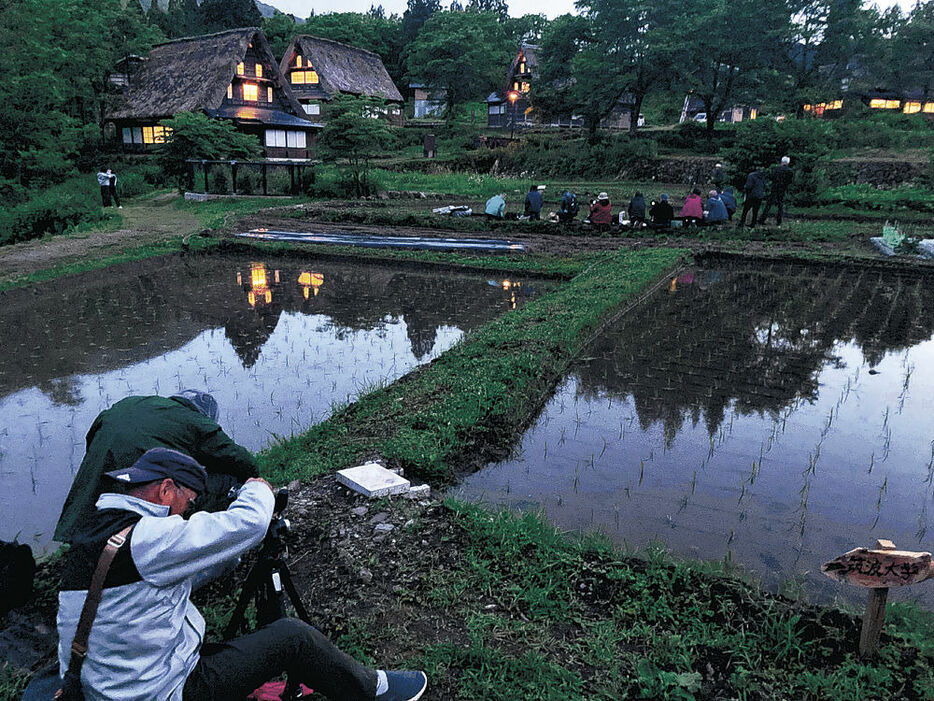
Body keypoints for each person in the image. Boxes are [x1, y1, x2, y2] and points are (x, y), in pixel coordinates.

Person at [55, 447, 428, 701]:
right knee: (292, 637)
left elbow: (150, 585)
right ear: (167, 489)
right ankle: (374, 689)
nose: (186, 513)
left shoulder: (102, 531)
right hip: (156, 692)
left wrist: (226, 558)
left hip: (104, 685)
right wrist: (257, 490)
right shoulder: (150, 537)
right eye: (189, 503)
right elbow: (247, 523)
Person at [55, 391, 259, 544]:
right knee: (228, 480)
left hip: (92, 499)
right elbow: (240, 460)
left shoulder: (131, 404)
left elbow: (91, 440)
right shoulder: (194, 420)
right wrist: (255, 483)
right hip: (139, 514)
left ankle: (90, 543)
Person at [760, 156, 793, 225]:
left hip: (774, 188)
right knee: (780, 205)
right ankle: (779, 221)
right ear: (788, 163)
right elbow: (789, 181)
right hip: (782, 189)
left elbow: (771, 177)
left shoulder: (776, 169)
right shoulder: (789, 171)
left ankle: (762, 219)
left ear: (782, 162)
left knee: (769, 204)